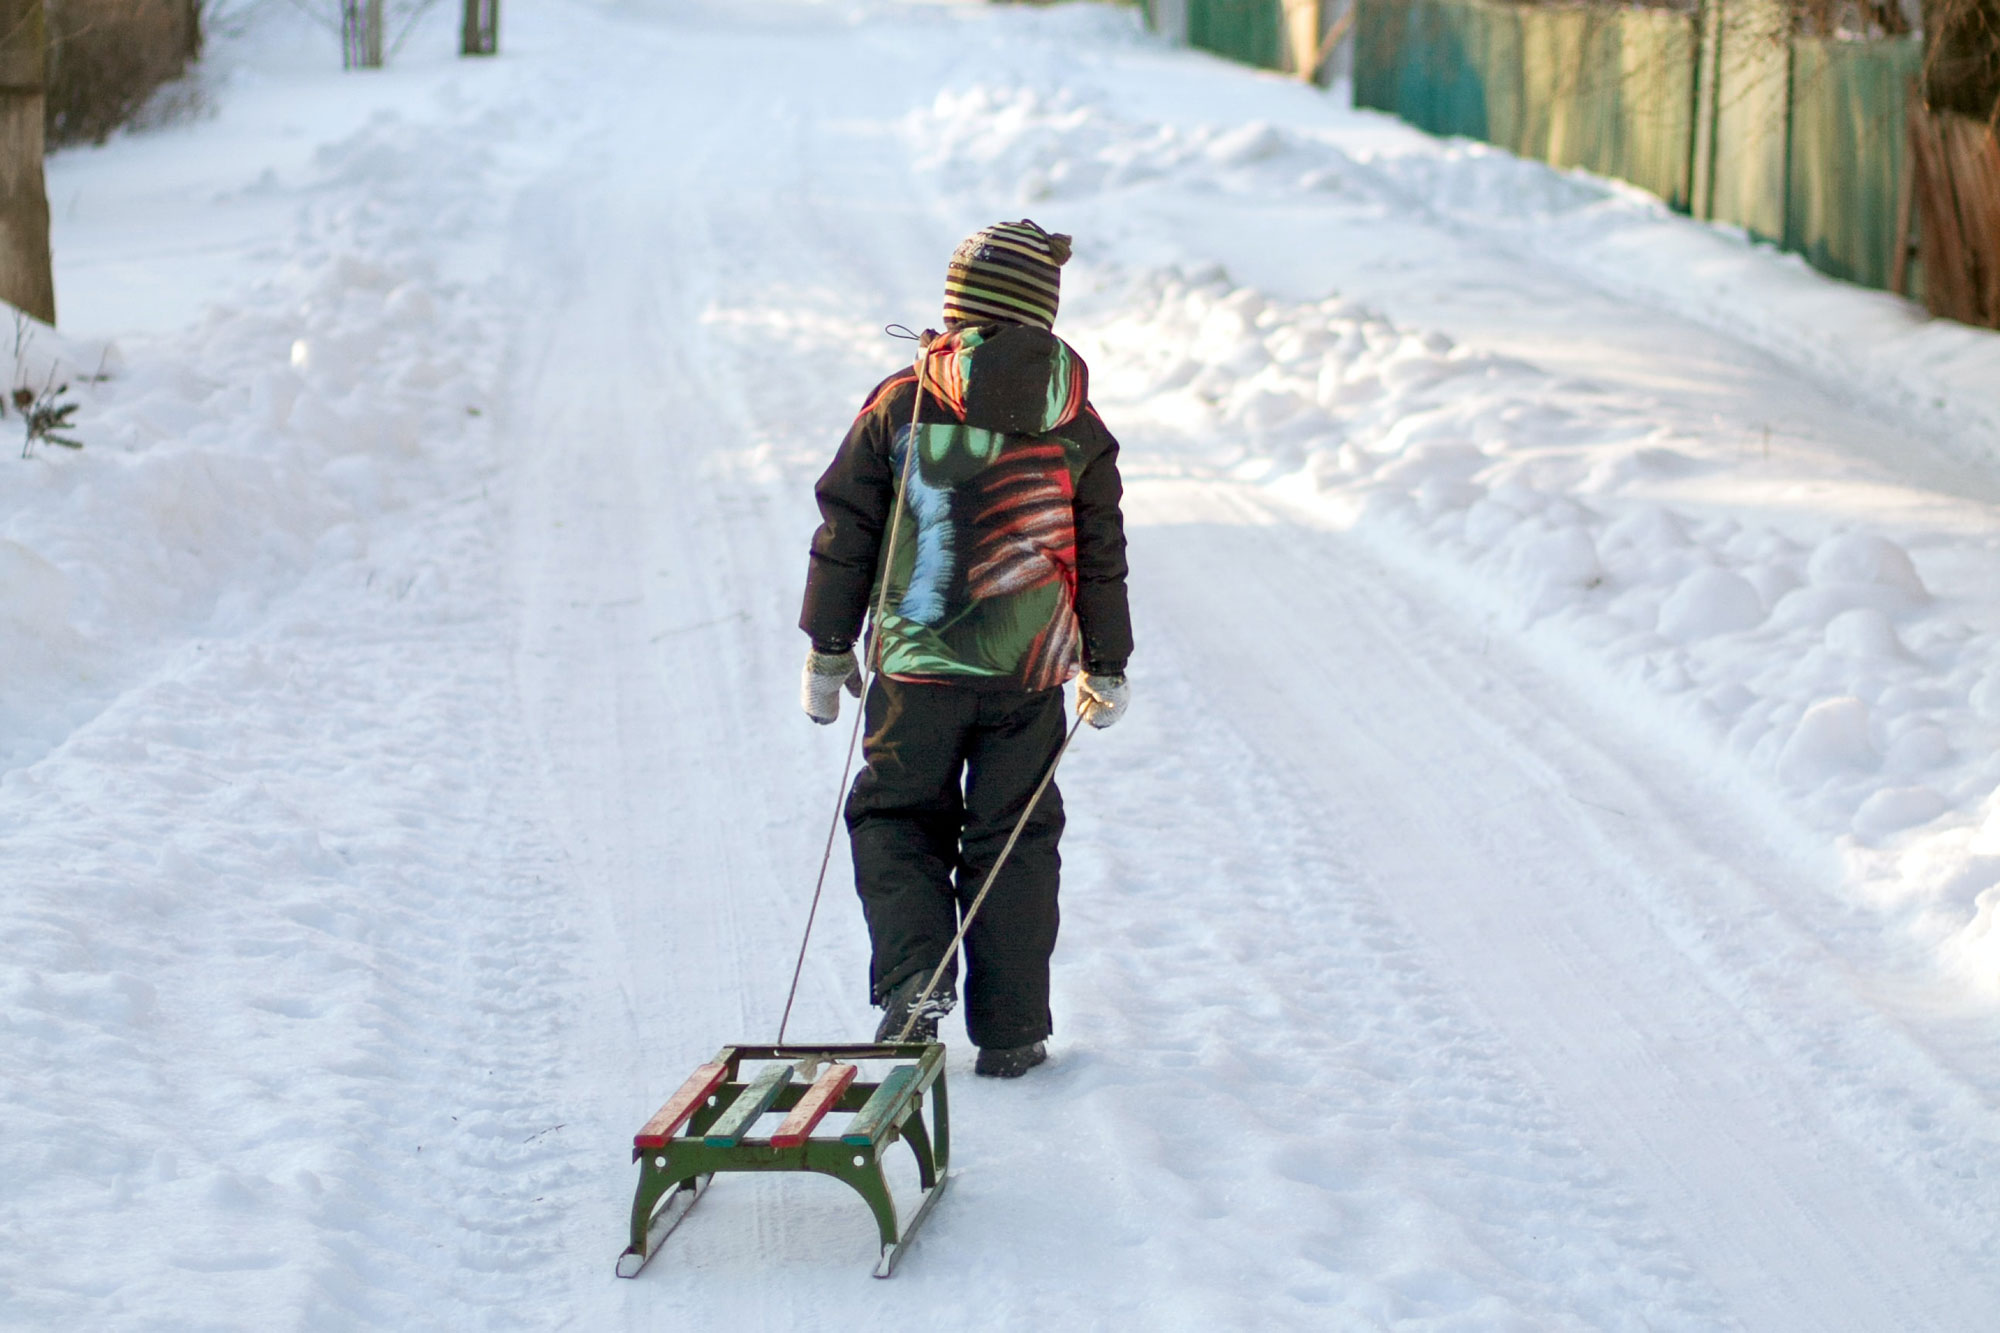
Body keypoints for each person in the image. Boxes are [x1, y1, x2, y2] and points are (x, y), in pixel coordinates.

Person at [797, 219, 1132, 1078]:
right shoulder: (1077, 422)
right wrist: (1106, 659)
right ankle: (1013, 1030)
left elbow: (849, 528)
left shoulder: (899, 402)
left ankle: (915, 978)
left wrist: (830, 643)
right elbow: (1099, 546)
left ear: (956, 311)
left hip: (916, 669)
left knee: (897, 814)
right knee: (1015, 836)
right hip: (1028, 674)